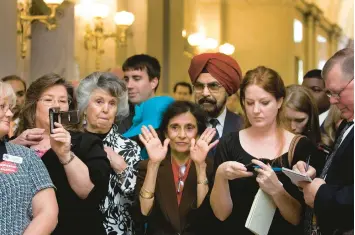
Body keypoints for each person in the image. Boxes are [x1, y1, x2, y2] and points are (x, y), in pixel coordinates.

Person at [210, 66, 324, 235]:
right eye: (249, 103)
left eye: (264, 103)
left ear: (279, 102)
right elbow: (221, 214)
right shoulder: (229, 142)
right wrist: (220, 176)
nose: (256, 110)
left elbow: (298, 218)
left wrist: (276, 190)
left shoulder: (300, 146)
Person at [12, 73, 111, 235]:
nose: (56, 105)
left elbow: (89, 192)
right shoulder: (16, 143)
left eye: (63, 101)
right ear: (33, 105)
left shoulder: (85, 143)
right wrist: (12, 146)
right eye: (48, 100)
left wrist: (65, 154)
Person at [133, 101, 219, 235]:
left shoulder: (211, 167)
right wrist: (154, 164)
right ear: (166, 133)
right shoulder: (147, 166)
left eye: (189, 128)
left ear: (198, 133)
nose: (182, 135)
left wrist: (200, 167)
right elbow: (144, 211)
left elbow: (206, 215)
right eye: (175, 127)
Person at [294, 48, 354, 235]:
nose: (333, 101)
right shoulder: (347, 123)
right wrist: (316, 176)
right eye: (330, 93)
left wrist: (320, 194)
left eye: (337, 92)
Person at [76, 72, 141, 235]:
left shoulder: (128, 147)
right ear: (84, 107)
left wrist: (121, 167)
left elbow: (138, 197)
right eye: (99, 102)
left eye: (112, 103)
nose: (106, 109)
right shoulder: (71, 143)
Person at [0, 81, 58, 235]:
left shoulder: (26, 156)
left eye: (10, 108)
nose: (10, 114)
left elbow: (48, 212)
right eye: (2, 107)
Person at [188, 52, 243, 141]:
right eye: (199, 86)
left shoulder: (243, 126)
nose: (205, 93)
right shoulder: (183, 126)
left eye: (213, 86)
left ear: (227, 90)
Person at [117, 54, 161, 133]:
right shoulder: (117, 115)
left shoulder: (166, 115)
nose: (129, 86)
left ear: (153, 82)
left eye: (136, 79)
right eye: (126, 79)